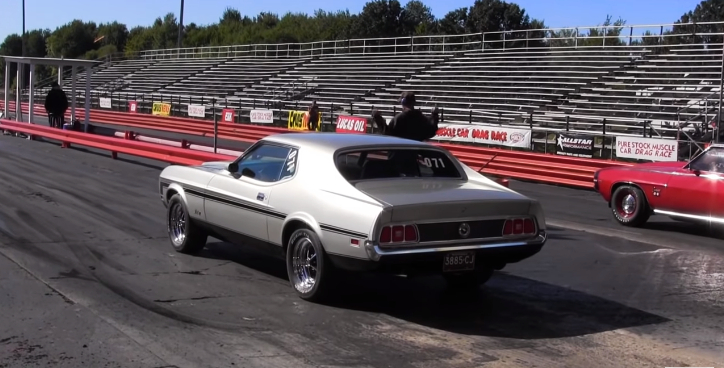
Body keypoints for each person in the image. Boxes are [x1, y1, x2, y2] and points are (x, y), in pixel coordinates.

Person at [372, 91, 439, 141]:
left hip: (398, 155)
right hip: (415, 155)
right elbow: (431, 132)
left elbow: (387, 134)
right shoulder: (422, 118)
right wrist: (434, 116)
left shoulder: (398, 119)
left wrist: (377, 117)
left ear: (403, 102)